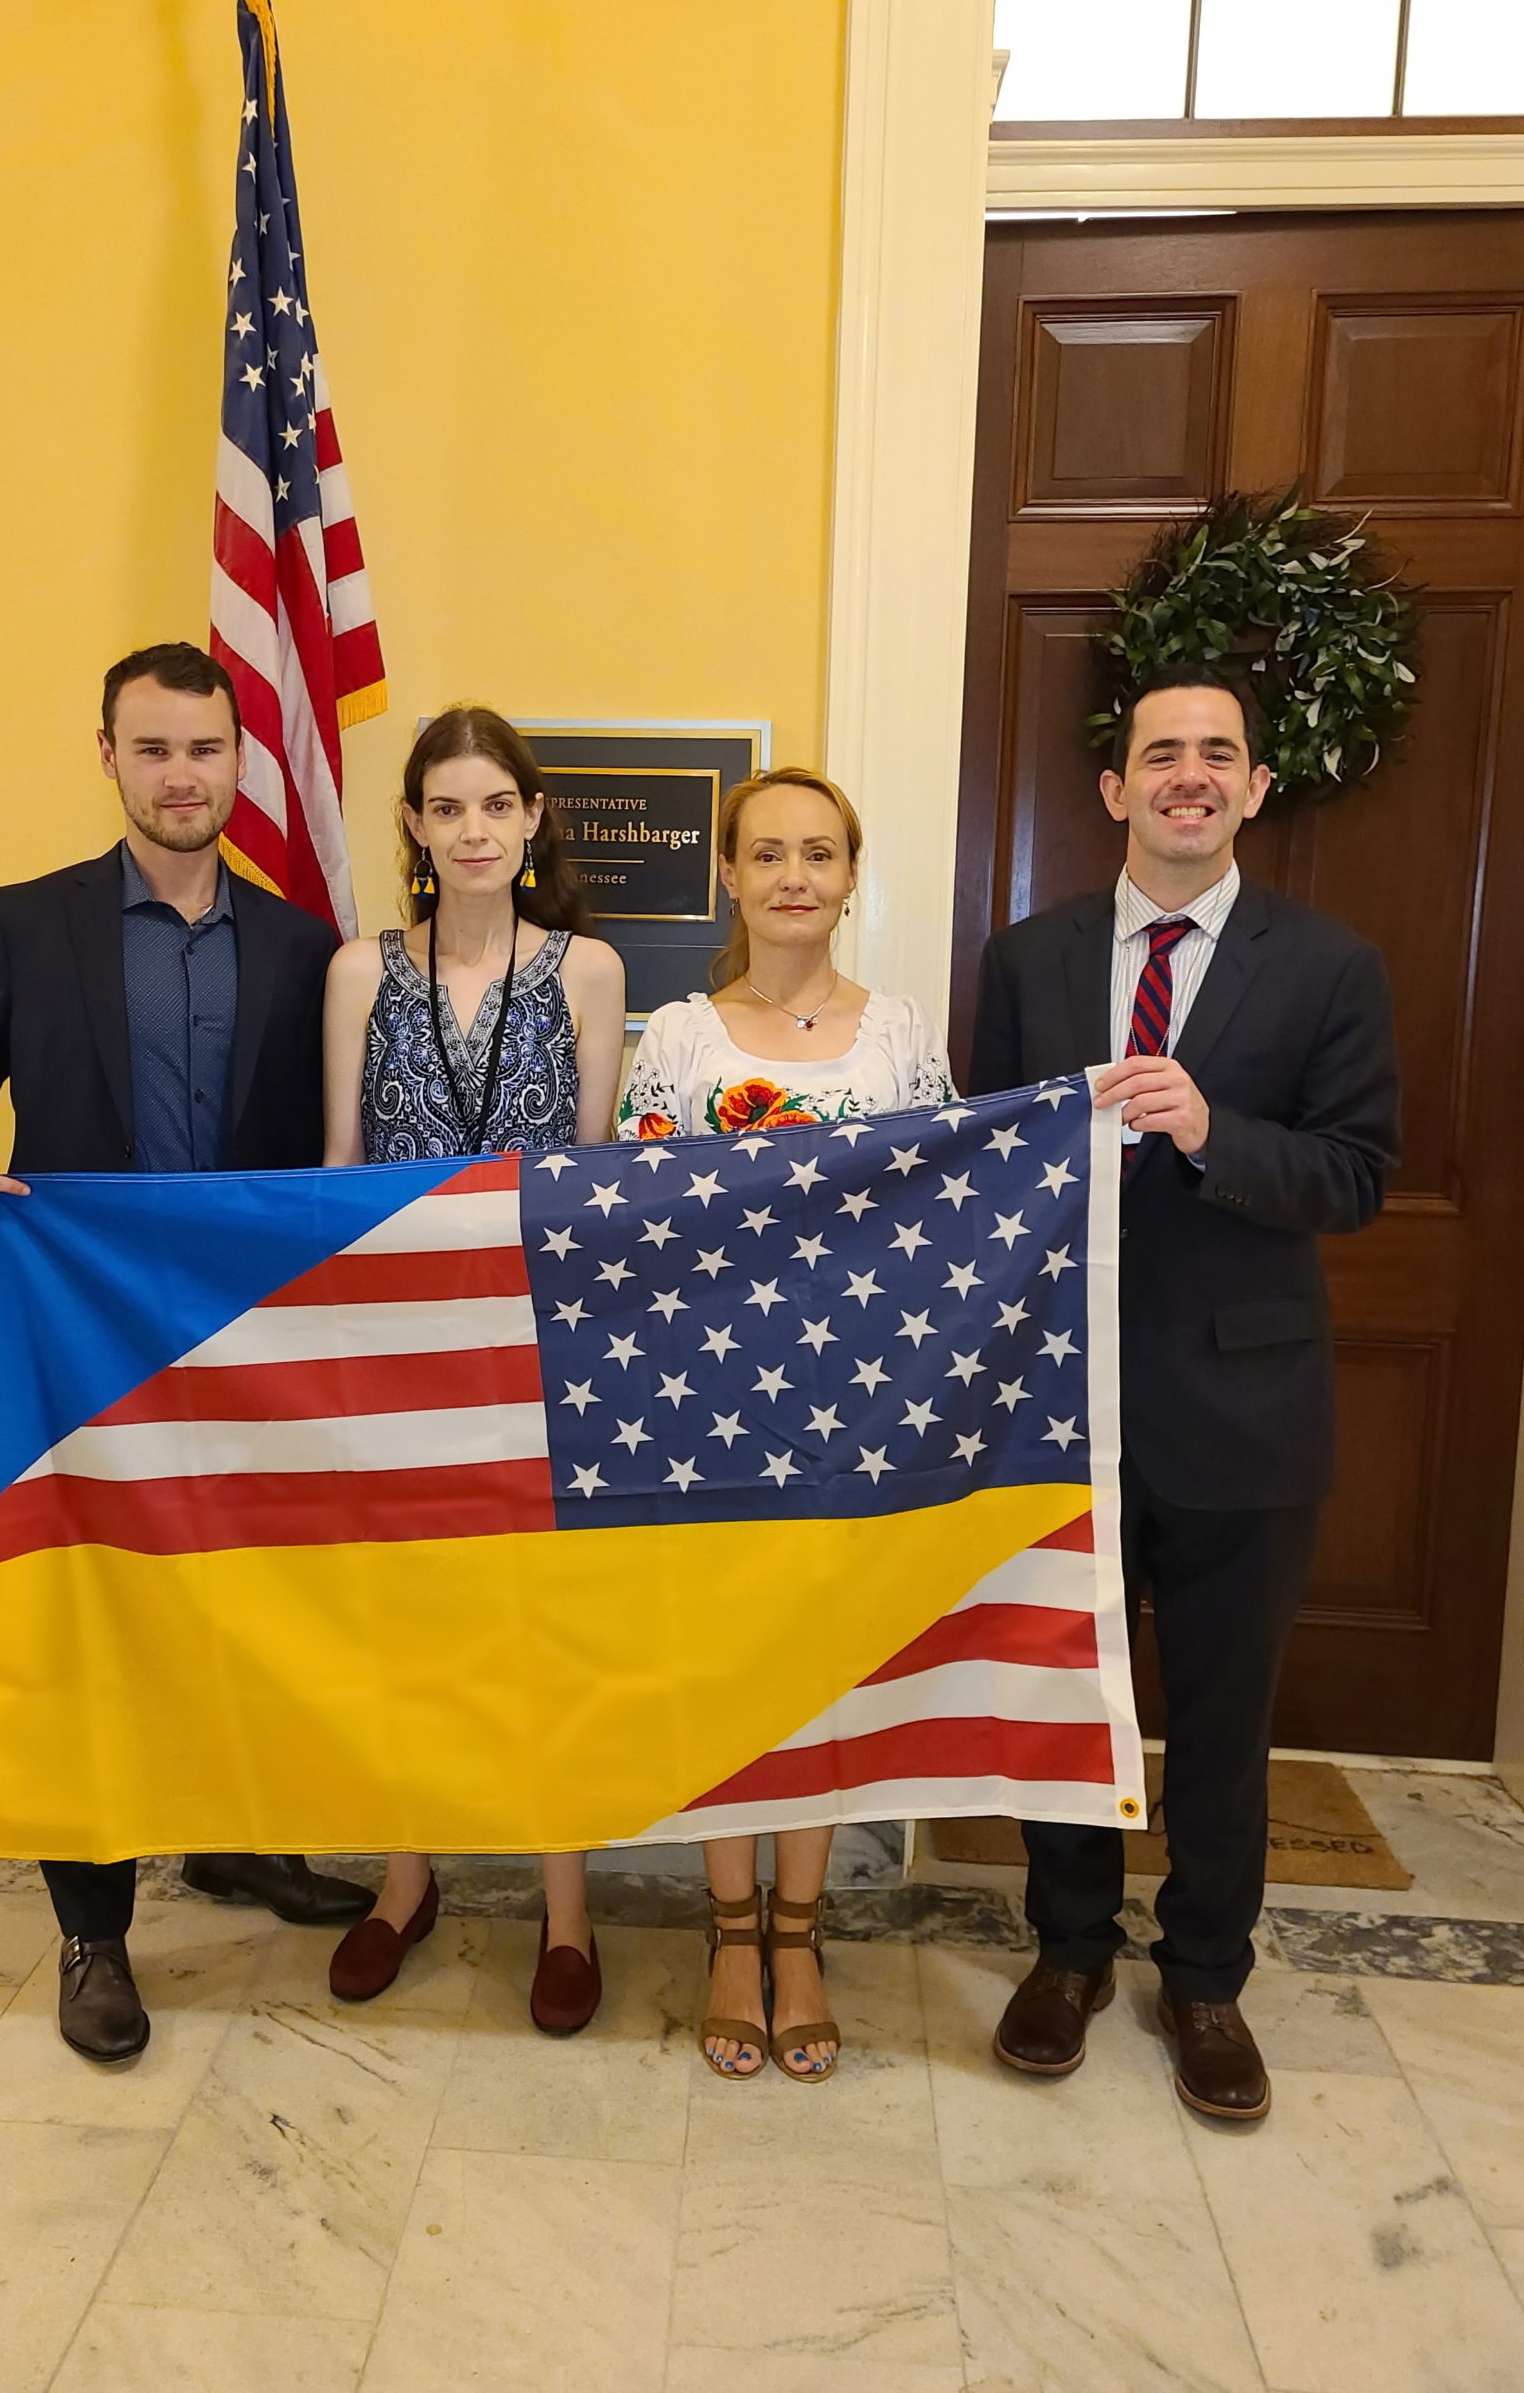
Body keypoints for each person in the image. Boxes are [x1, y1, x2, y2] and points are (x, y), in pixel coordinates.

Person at [0, 641, 373, 2065]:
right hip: (79, 1346)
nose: (180, 776)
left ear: (237, 764)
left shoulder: (299, 945)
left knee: (241, 1602)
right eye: (152, 750)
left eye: (203, 751)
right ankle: (93, 1930)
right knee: (92, 1625)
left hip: (240, 1351)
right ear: (108, 756)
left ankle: (239, 1844)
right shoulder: (27, 924)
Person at [965, 667, 1399, 2121]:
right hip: (1058, 1405)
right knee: (1064, 1700)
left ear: (1254, 789)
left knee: (1218, 1714)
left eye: (1219, 754)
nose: (1189, 776)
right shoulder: (1027, 958)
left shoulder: (1329, 964)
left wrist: (1216, 1131)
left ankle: (1203, 1976)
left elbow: (1354, 1178)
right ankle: (1067, 1953)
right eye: (1162, 754)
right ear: (1115, 789)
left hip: (1241, 1414)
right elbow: (982, 1171)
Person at [617, 765, 954, 2082]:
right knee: (721, 1668)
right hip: (712, 1406)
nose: (793, 875)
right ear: (730, 876)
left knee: (820, 1672)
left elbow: (941, 1217)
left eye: (819, 852)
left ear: (851, 876)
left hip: (854, 1407)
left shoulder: (902, 1033)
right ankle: (724, 1933)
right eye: (766, 853)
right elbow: (637, 1220)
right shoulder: (678, 1038)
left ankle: (799, 1938)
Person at [320, 704, 626, 2031]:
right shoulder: (355, 972)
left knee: (534, 1626)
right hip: (393, 1344)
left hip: (533, 1341)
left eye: (495, 804)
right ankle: (404, 1880)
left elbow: (600, 1175)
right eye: (446, 807)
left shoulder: (586, 971)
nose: (473, 830)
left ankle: (565, 1908)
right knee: (406, 1623)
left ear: (531, 819)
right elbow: (335, 1169)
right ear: (413, 826)